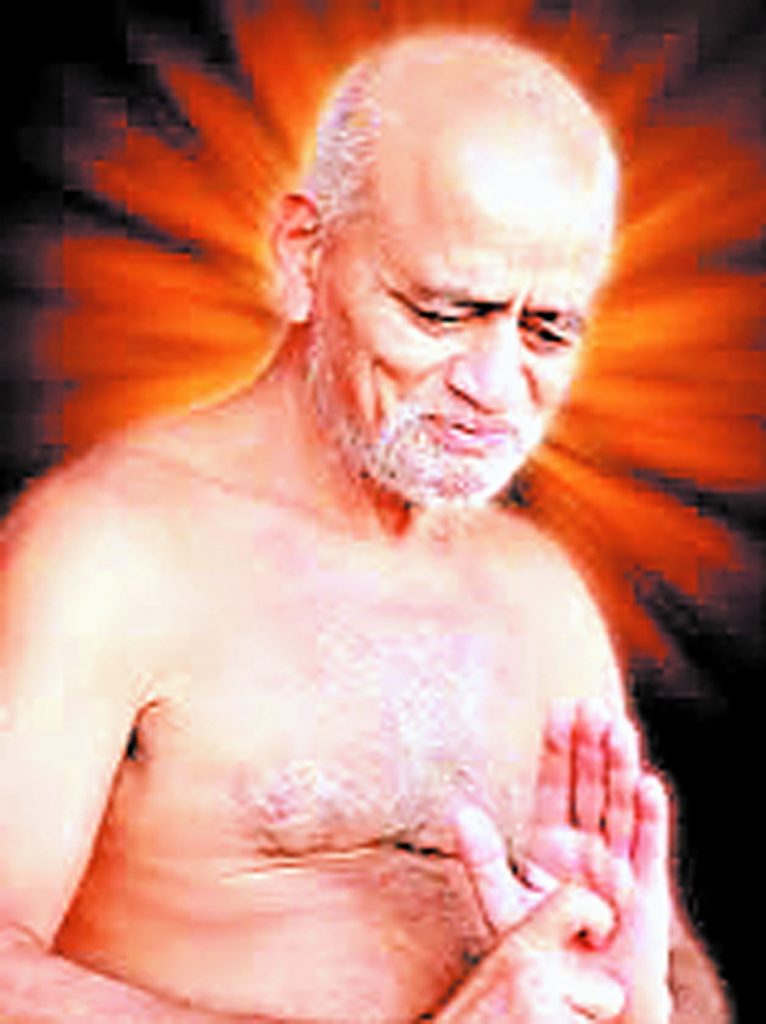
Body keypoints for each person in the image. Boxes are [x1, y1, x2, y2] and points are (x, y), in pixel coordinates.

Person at [0, 30, 729, 1023]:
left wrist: (641, 998)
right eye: (443, 313)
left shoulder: (541, 592)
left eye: (546, 329)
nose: (493, 387)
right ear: (305, 253)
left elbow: (669, 966)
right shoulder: (107, 550)